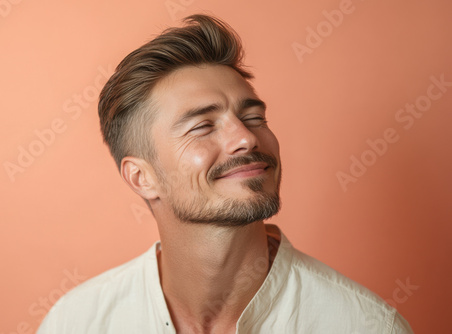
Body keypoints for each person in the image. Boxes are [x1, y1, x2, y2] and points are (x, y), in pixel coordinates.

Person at [37, 14, 413, 333]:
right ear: (141, 178)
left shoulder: (365, 324)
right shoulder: (76, 322)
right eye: (202, 126)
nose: (247, 138)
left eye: (254, 117)